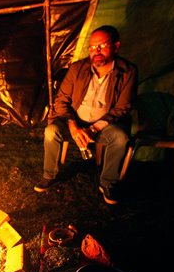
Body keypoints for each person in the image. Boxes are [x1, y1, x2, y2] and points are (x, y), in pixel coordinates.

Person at [34, 25, 138, 204]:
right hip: (74, 122)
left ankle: (107, 183)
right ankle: (49, 175)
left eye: (102, 46)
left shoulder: (127, 71)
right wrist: (73, 126)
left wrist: (94, 128)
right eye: (92, 47)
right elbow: (61, 101)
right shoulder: (77, 69)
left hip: (104, 126)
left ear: (116, 46)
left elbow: (123, 107)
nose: (95, 51)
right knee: (51, 131)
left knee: (120, 138)